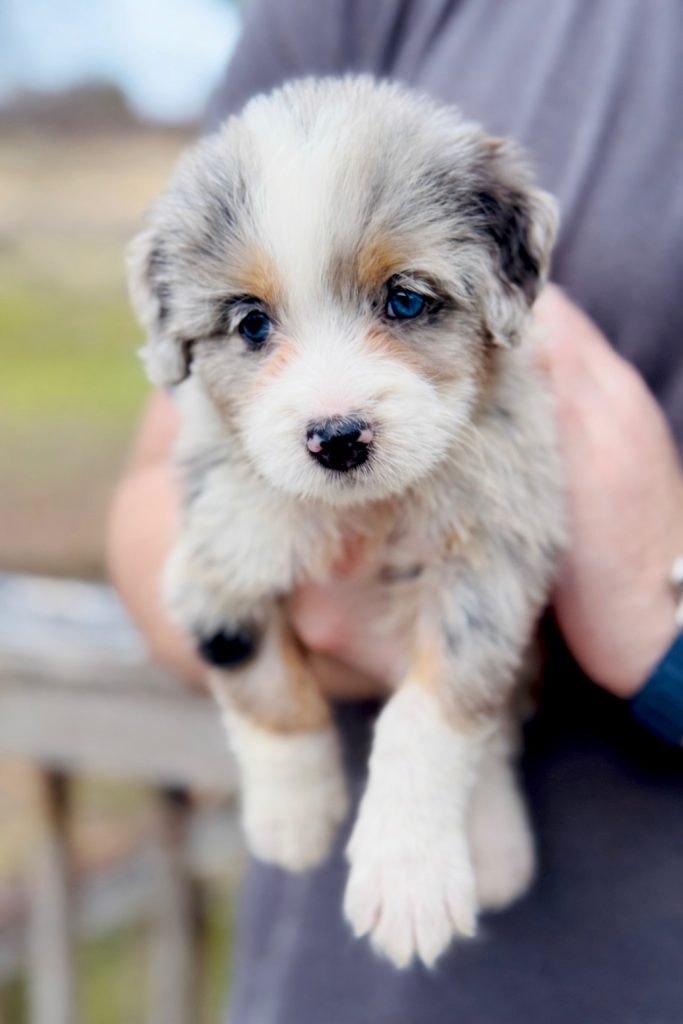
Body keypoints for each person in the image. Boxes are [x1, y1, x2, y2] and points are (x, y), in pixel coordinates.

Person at [108, 2, 683, 1021]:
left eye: (403, 302)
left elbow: (488, 592)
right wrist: (284, 742)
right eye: (252, 323)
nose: (331, 405)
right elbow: (162, 530)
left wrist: (656, 612)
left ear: (506, 276)